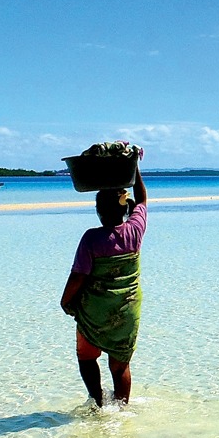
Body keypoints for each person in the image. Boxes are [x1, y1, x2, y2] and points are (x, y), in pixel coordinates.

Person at [60, 167, 147, 406]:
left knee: (87, 357)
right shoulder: (135, 230)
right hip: (127, 308)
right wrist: (134, 169)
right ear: (124, 208)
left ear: (98, 211)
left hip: (95, 310)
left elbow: (78, 276)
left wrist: (65, 301)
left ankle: (97, 401)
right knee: (120, 365)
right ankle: (121, 410)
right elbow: (142, 199)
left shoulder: (91, 238)